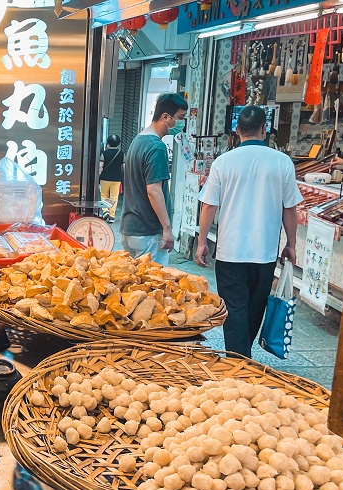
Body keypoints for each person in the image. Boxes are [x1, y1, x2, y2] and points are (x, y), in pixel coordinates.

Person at [194, 105, 303, 359]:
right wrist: (291, 244)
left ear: (236, 130)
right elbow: (290, 209)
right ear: (265, 130)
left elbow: (209, 205)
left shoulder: (224, 162)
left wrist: (202, 242)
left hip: (230, 250)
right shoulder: (282, 162)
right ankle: (241, 357)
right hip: (264, 252)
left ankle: (238, 358)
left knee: (234, 308)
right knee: (255, 307)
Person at [119, 93, 187, 265]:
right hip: (148, 231)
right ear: (165, 117)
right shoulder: (156, 147)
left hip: (130, 227)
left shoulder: (137, 140)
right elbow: (154, 190)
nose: (181, 124)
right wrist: (167, 228)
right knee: (154, 285)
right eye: (179, 118)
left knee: (135, 286)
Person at [99, 134, 123, 222]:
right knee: (114, 197)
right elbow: (124, 166)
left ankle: (105, 211)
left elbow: (101, 166)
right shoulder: (121, 153)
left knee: (104, 195)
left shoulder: (104, 153)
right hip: (116, 178)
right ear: (118, 143)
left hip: (105, 178)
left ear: (108, 143)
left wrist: (99, 174)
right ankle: (112, 216)